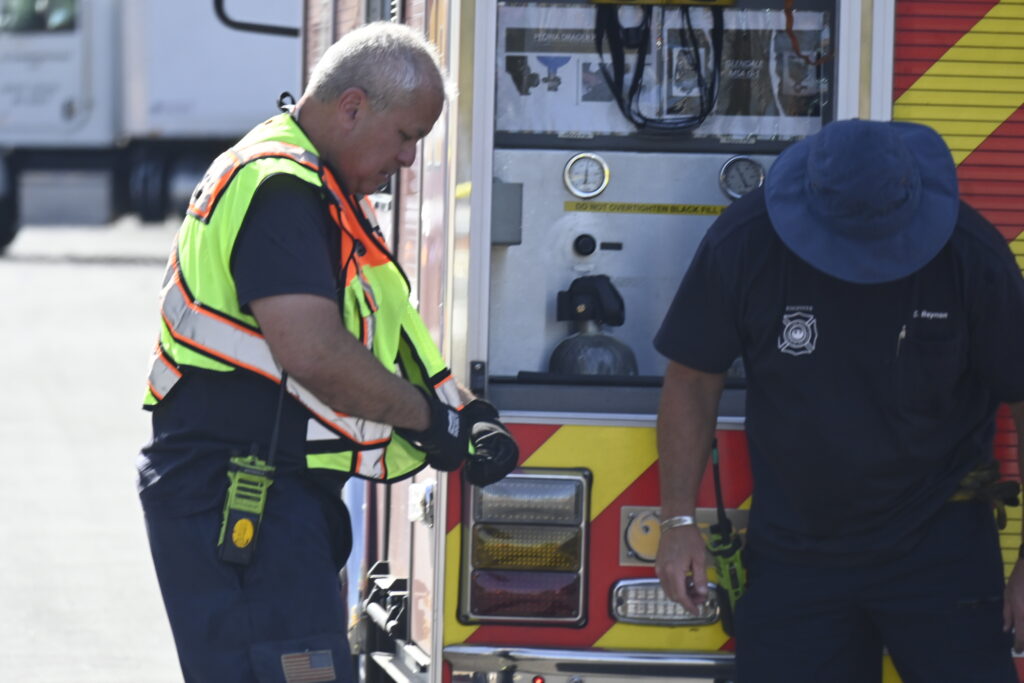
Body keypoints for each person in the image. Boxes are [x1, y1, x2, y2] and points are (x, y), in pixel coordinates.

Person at [136, 22, 517, 683]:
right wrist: (431, 421)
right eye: (405, 136)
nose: (408, 160)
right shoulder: (279, 188)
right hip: (241, 497)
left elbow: (383, 336)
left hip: (262, 499)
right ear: (352, 107)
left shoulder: (315, 188)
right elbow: (314, 352)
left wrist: (463, 411)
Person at [653, 118, 1024, 682]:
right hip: (795, 552)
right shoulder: (745, 242)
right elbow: (692, 379)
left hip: (941, 544)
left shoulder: (972, 255)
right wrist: (677, 521)